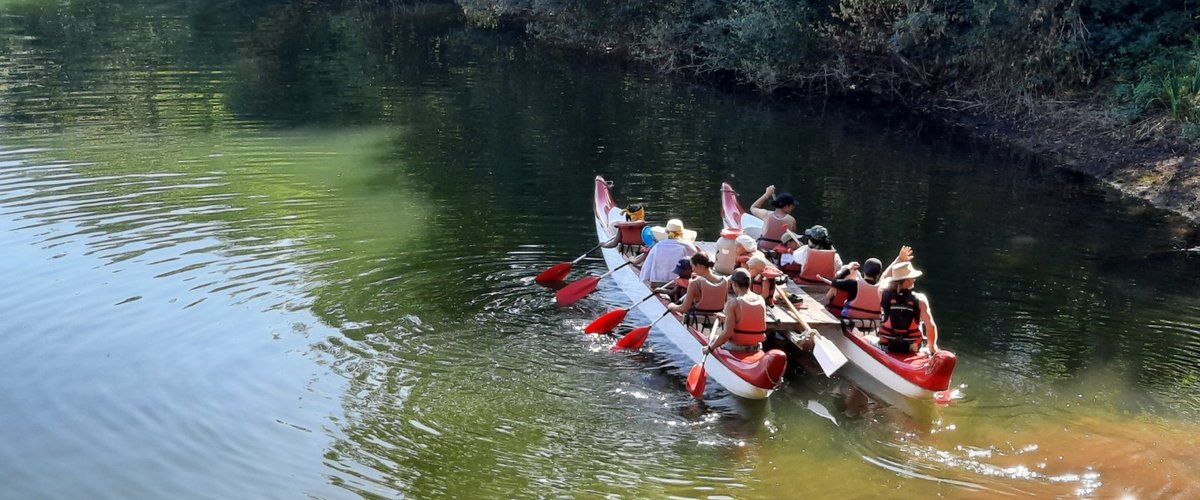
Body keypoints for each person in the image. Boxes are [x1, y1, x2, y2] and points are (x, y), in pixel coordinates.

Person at [877, 261, 939, 354]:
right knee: (921, 327)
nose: (914, 279)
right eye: (912, 277)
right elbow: (930, 327)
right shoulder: (920, 299)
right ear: (907, 281)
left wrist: (899, 259)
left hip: (886, 345)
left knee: (867, 338)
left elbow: (883, 279)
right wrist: (932, 347)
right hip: (911, 348)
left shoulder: (882, 293)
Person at [703, 269, 766, 353]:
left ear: (734, 284)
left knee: (710, 338)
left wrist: (710, 348)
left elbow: (727, 334)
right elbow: (748, 321)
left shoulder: (733, 303)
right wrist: (727, 318)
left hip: (736, 347)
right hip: (755, 346)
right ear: (749, 283)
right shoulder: (761, 299)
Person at [669, 252, 729, 331]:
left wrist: (671, 305)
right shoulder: (724, 280)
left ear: (699, 266)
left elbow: (684, 308)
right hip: (716, 321)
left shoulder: (694, 283)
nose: (692, 270)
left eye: (693, 267)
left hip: (697, 322)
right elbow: (724, 302)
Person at [638, 218, 697, 285]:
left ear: (666, 232)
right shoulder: (688, 247)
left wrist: (642, 280)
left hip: (657, 281)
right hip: (678, 283)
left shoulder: (657, 246)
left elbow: (647, 267)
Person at [750, 185, 797, 251]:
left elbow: (753, 207)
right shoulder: (791, 220)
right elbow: (792, 238)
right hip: (779, 253)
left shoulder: (766, 214)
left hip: (762, 249)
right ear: (787, 206)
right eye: (792, 206)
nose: (792, 208)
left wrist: (766, 194)